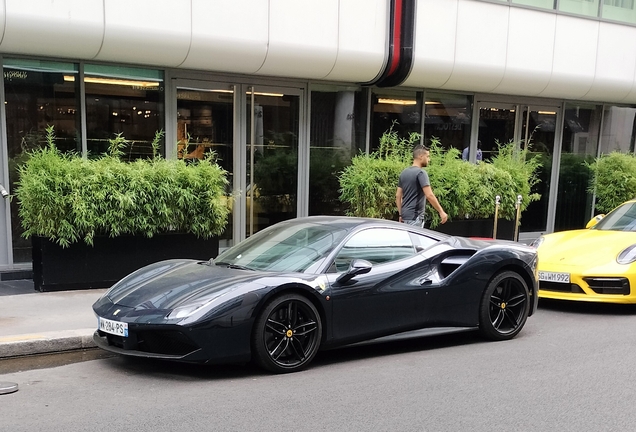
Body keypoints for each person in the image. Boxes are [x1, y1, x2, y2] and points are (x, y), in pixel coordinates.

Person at [396, 145, 448, 228]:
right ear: (421, 156)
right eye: (427, 156)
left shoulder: (404, 173)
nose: (429, 159)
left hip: (405, 217)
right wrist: (441, 211)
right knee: (415, 240)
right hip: (415, 217)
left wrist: (401, 214)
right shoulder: (421, 173)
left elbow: (398, 196)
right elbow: (429, 195)